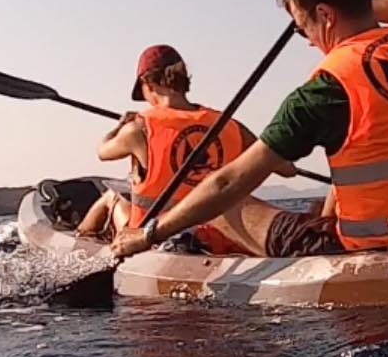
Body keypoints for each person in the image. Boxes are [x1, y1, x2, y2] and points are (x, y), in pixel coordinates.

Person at [112, 0, 388, 260]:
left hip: (374, 249)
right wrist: (353, 4)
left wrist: (147, 234)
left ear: (324, 14)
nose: (302, 35)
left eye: (299, 22)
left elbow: (227, 184)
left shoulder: (323, 91)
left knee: (220, 207)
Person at [76, 45, 270, 255]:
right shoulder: (230, 125)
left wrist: (121, 126)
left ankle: (80, 248)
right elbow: (284, 166)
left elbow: (102, 151)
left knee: (112, 196)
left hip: (152, 240)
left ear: (148, 84)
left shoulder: (138, 130)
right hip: (222, 239)